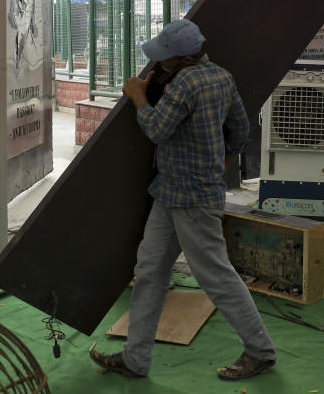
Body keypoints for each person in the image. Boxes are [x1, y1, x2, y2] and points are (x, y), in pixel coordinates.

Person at [90, 19, 277, 381]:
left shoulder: (185, 82)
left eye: (164, 58)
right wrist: (218, 162)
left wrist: (138, 95)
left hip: (189, 199)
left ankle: (261, 351)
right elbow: (240, 130)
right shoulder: (222, 77)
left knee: (216, 276)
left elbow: (158, 129)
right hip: (173, 192)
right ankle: (135, 358)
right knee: (149, 271)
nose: (159, 64)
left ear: (180, 58)